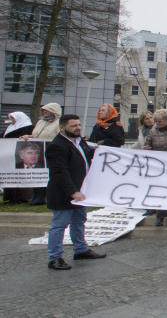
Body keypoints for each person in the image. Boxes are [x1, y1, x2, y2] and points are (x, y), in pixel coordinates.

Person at [45, 113, 106, 270]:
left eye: (79, 125)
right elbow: (59, 172)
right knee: (59, 226)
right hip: (64, 194)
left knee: (79, 222)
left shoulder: (80, 142)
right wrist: (73, 192)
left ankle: (81, 250)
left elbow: (83, 159)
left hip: (80, 192)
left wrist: (96, 152)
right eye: (73, 126)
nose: (78, 128)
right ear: (62, 128)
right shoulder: (57, 146)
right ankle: (55, 257)